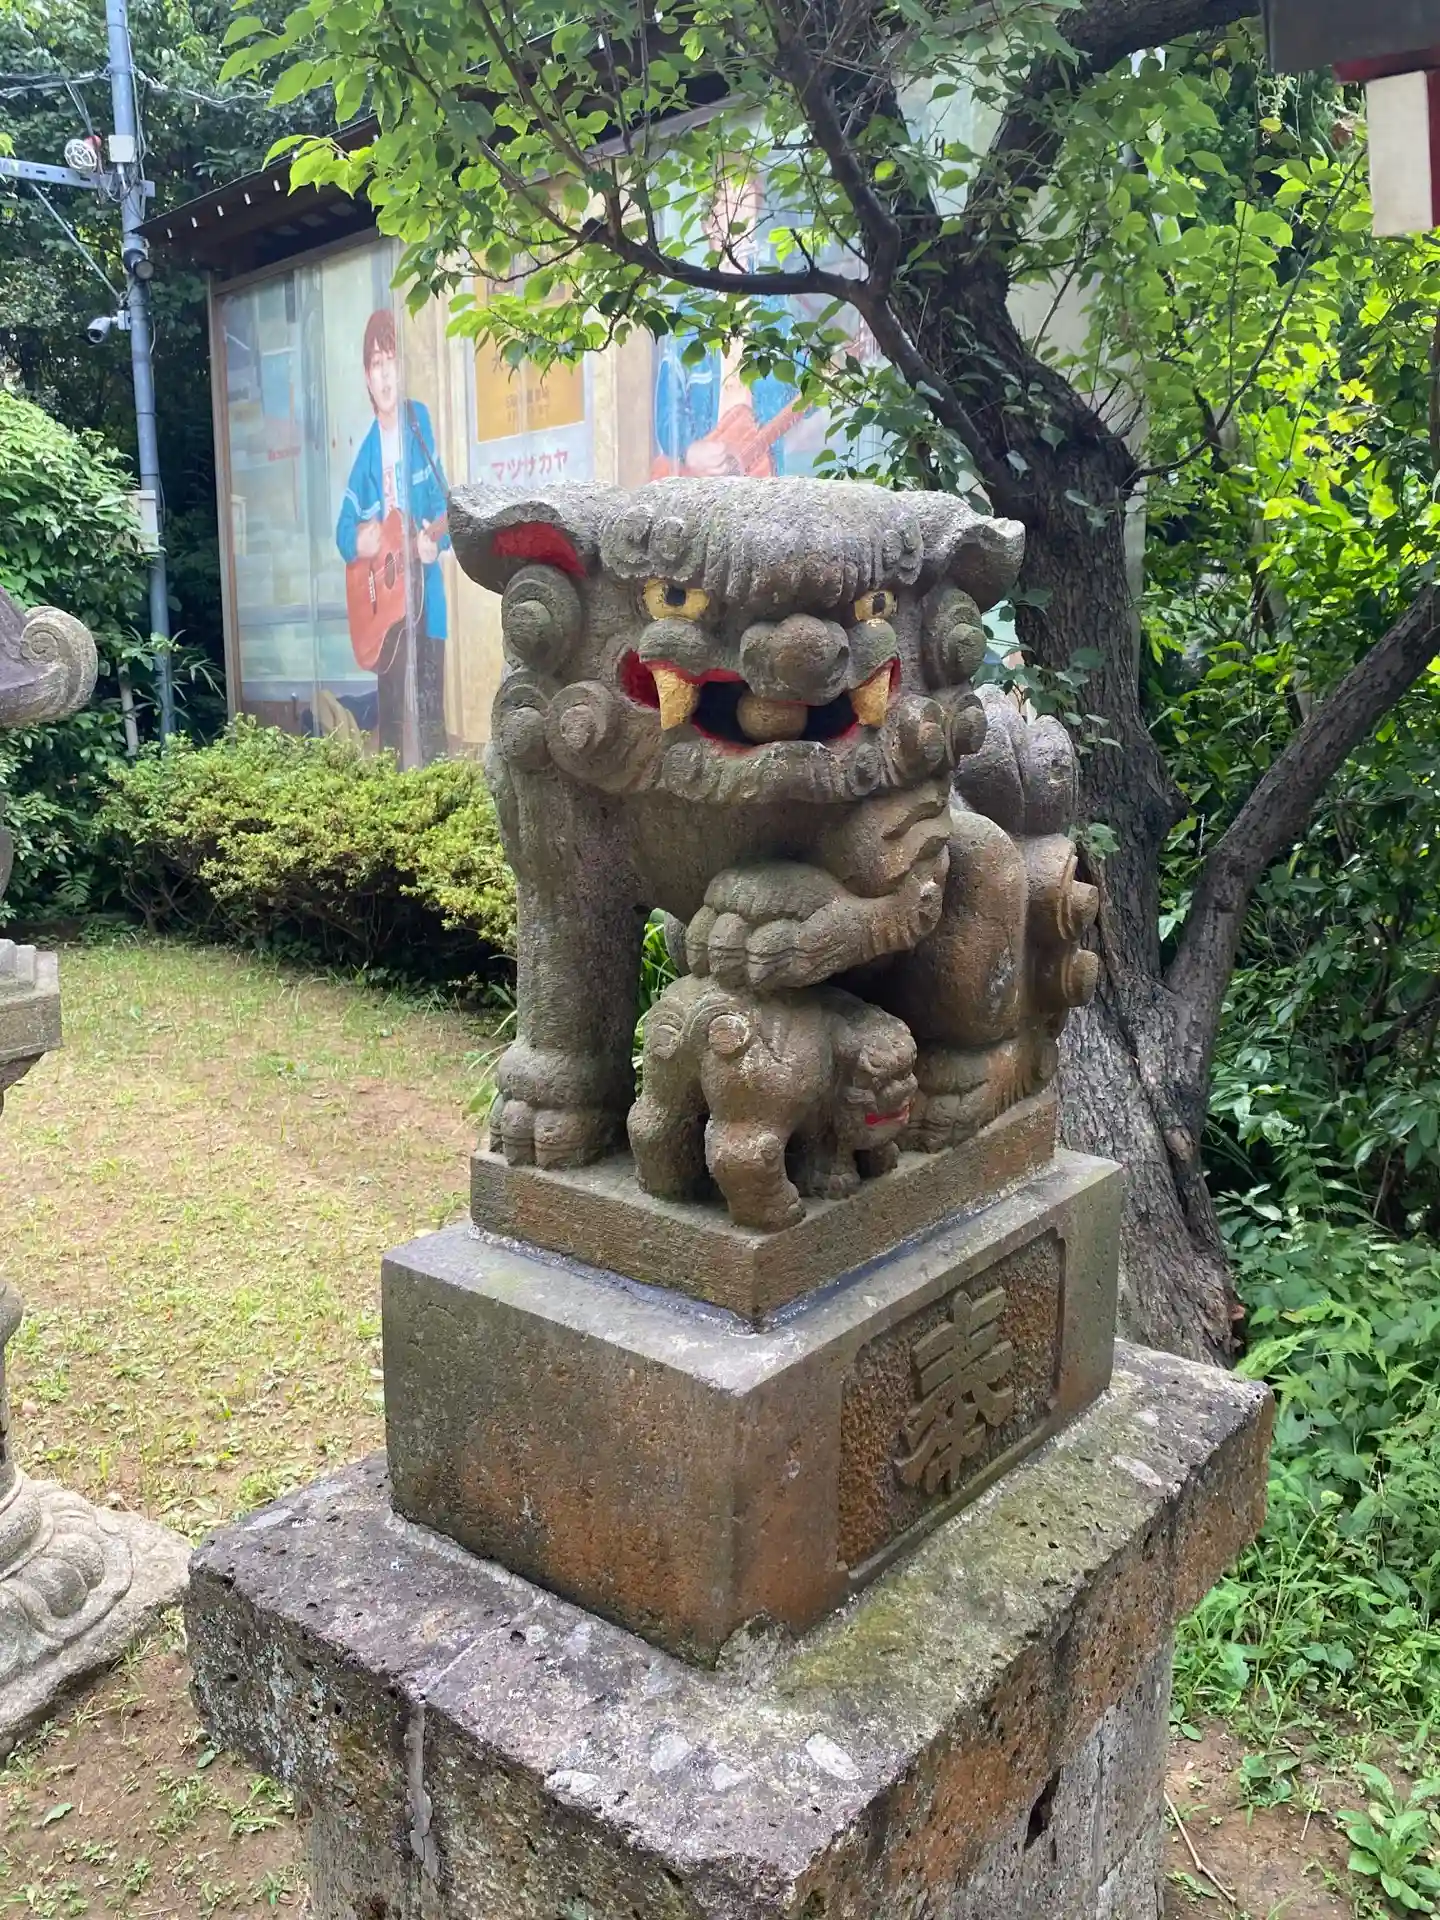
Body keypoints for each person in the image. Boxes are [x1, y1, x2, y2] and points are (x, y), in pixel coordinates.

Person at [336, 308, 450, 763]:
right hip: (383, 613)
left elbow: (443, 506)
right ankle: (390, 794)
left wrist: (434, 543)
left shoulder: (417, 423)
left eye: (391, 361)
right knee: (392, 725)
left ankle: (439, 794)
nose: (385, 375)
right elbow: (343, 531)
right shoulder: (367, 454)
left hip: (425, 599)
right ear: (367, 376)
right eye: (376, 364)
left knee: (431, 716)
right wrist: (360, 542)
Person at [651, 175, 809, 479]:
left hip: (760, 471)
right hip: (702, 476)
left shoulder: (774, 306)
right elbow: (669, 404)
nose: (741, 218)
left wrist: (834, 372)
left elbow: (804, 384)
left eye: (748, 207)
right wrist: (689, 450)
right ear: (709, 223)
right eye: (730, 204)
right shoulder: (690, 312)